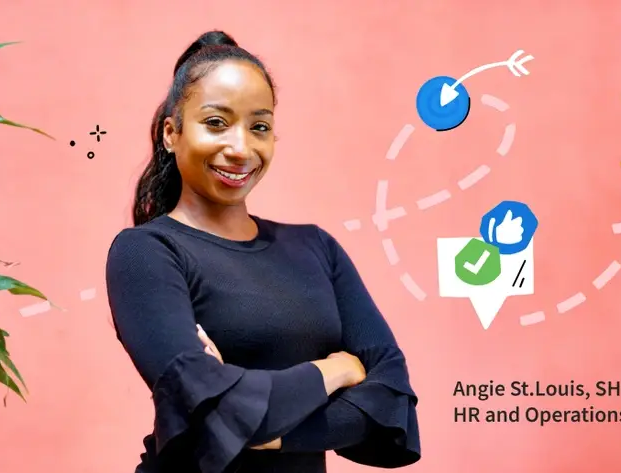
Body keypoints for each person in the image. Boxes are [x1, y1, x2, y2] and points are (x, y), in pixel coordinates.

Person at [105, 30, 420, 473]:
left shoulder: (315, 247)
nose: (241, 148)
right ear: (171, 133)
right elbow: (207, 408)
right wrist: (336, 371)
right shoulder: (146, 253)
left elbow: (391, 395)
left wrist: (272, 433)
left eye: (260, 127)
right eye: (216, 122)